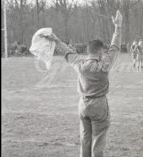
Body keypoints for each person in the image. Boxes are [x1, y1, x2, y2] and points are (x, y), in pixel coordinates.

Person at [43, 10, 123, 157]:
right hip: (99, 106)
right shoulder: (104, 64)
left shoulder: (80, 64)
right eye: (103, 52)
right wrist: (118, 26)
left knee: (85, 140)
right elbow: (115, 47)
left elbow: (66, 51)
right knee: (98, 142)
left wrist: (55, 38)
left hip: (83, 105)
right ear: (100, 52)